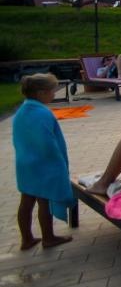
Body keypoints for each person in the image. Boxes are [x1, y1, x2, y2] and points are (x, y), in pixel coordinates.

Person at [12, 73, 75, 249]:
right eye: (51, 91)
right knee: (44, 200)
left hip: (25, 163)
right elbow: (48, 143)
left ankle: (26, 239)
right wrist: (59, 162)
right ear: (40, 93)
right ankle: (48, 237)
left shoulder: (22, 111)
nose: (54, 94)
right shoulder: (42, 113)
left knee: (26, 201)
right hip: (43, 164)